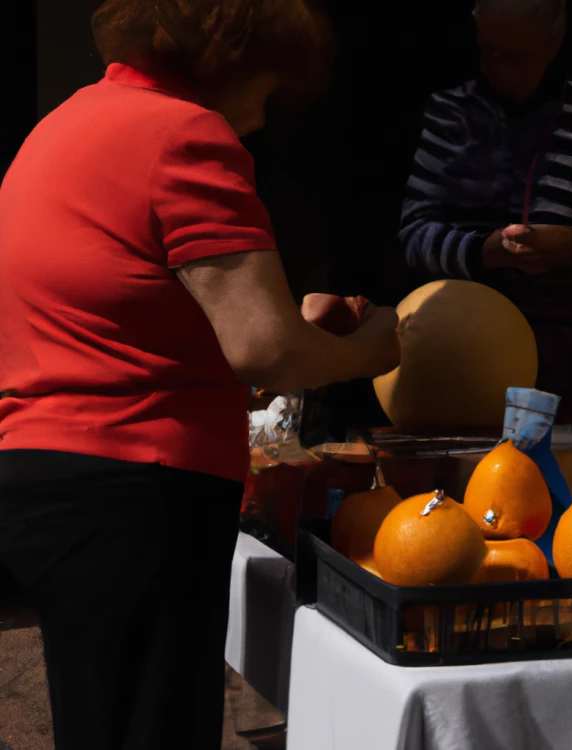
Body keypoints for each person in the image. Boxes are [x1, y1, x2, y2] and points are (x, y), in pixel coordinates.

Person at [0, 1, 399, 748]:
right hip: (137, 493)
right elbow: (264, 350)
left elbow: (120, 320)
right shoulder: (184, 135)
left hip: (48, 479)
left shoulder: (62, 126)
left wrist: (296, 329)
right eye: (267, 89)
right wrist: (374, 349)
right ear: (228, 59)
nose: (261, 117)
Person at [399, 0, 572, 423]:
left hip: (561, 366)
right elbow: (413, 234)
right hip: (451, 356)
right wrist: (483, 252)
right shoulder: (450, 113)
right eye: (487, 50)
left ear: (554, 41)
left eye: (515, 57)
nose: (496, 67)